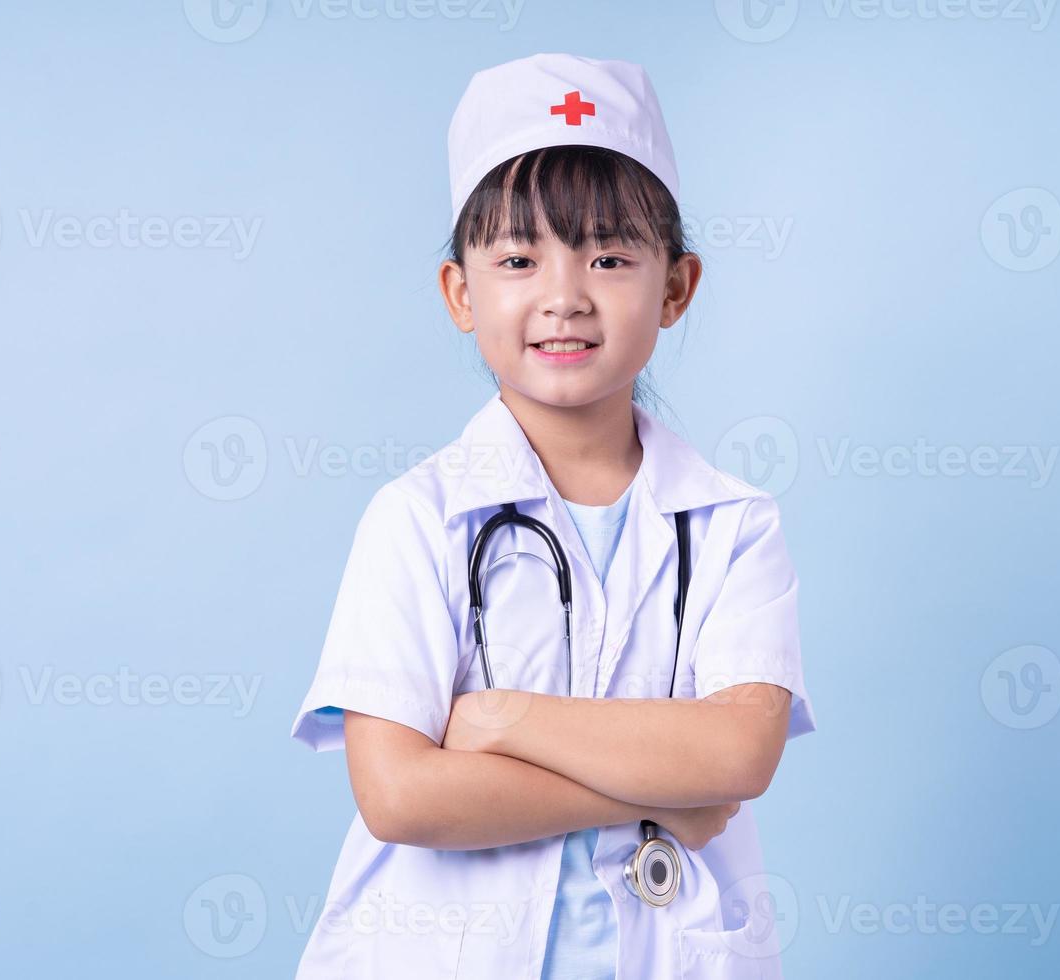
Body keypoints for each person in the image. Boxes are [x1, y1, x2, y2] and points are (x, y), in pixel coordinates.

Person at [289, 52, 817, 980]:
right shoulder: (418, 519)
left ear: (677, 287)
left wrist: (498, 721)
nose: (565, 295)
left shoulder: (733, 524)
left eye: (610, 257)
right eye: (519, 259)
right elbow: (402, 795)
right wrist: (654, 793)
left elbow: (738, 751)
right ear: (461, 293)